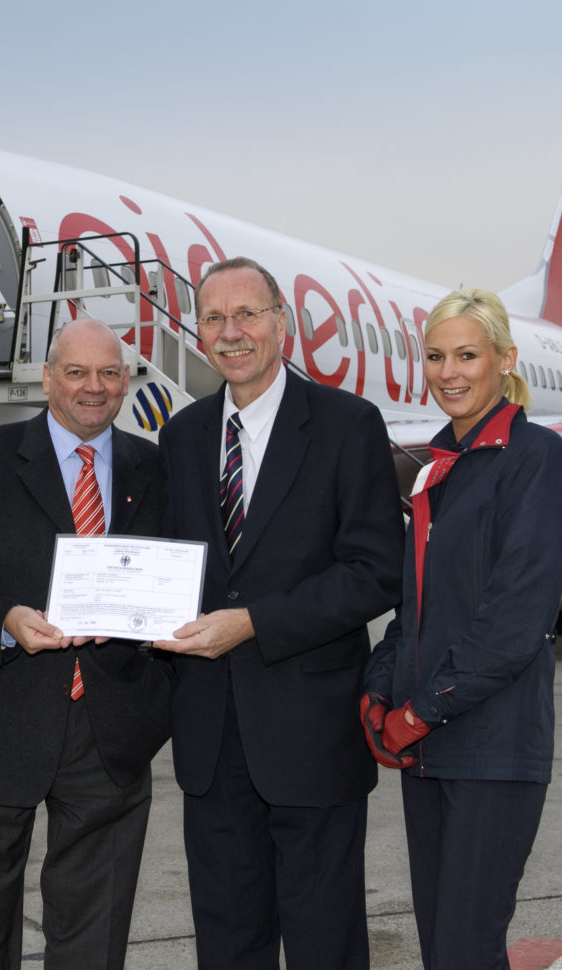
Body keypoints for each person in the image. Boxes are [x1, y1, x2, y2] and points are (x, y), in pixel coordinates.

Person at [154, 257, 404, 970]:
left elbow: (374, 572)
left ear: (280, 325)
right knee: (227, 939)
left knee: (325, 939)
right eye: (213, 318)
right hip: (209, 737)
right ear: (198, 331)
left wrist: (255, 622)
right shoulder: (183, 436)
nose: (231, 333)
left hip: (310, 733)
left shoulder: (345, 424)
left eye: (247, 315)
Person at [0, 317, 173, 970]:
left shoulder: (153, 465)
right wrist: (7, 619)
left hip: (110, 725)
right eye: (78, 372)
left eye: (109, 373)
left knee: (95, 922)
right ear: (47, 378)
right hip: (0, 712)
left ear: (125, 382)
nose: (94, 388)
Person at [360, 288, 562, 970]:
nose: (448, 372)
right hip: (428, 751)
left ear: (504, 360)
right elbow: (414, 607)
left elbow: (514, 622)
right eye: (434, 357)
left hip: (492, 749)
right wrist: (375, 691)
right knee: (442, 949)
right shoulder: (439, 469)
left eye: (466, 356)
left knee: (463, 948)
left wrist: (418, 712)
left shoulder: (534, 458)